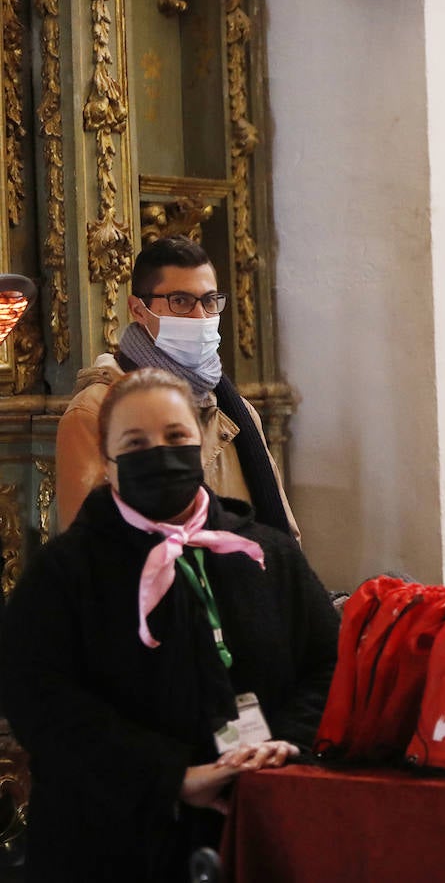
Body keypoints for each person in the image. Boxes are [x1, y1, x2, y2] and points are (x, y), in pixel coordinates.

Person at [0, 368, 339, 881]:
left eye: (176, 436)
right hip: (113, 844)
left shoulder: (267, 554)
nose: (160, 452)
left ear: (201, 442)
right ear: (109, 464)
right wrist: (172, 776)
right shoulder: (65, 573)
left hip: (257, 823)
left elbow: (328, 662)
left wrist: (284, 745)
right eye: (136, 443)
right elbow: (38, 700)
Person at [55, 235, 298, 539]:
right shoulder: (94, 412)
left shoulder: (237, 410)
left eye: (210, 301)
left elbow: (283, 538)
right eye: (180, 301)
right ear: (138, 310)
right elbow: (90, 555)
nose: (201, 316)